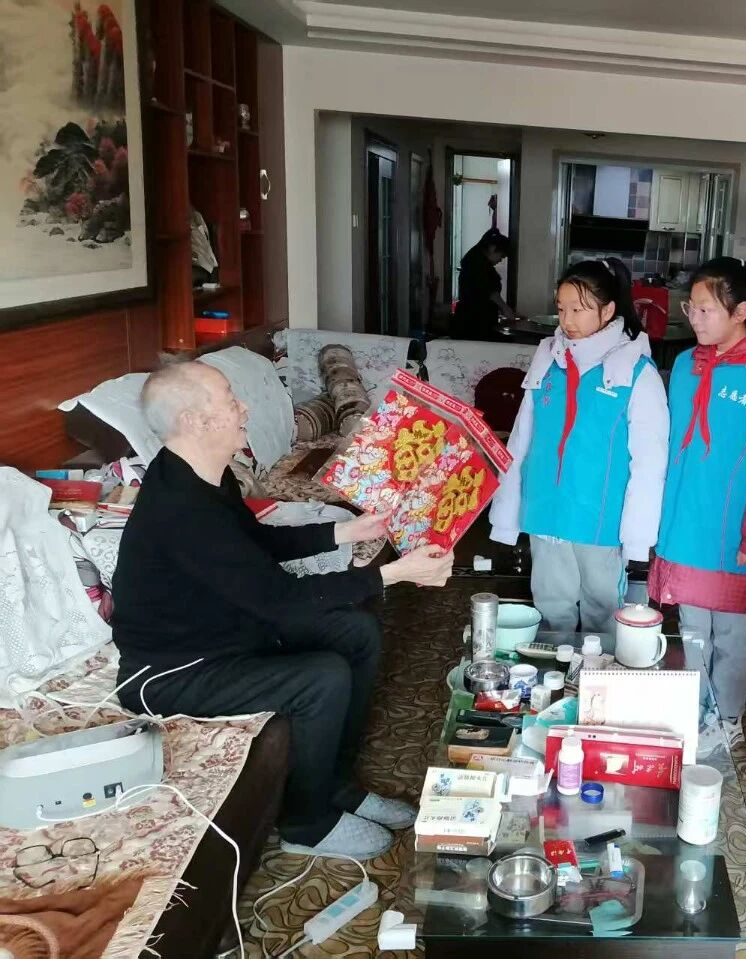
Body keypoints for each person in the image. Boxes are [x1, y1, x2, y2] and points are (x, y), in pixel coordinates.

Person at [112, 361, 455, 860]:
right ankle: (306, 823)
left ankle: (336, 784)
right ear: (195, 421)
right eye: (230, 399)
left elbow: (253, 542)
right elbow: (283, 600)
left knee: (355, 630)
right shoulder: (181, 509)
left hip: (227, 633)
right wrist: (393, 574)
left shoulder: (202, 474)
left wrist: (345, 531)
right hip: (173, 671)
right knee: (322, 676)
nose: (244, 407)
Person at [649, 258, 746, 748]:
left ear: (741, 312)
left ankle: (728, 719)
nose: (694, 319)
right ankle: (696, 712)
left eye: (706, 309)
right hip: (687, 525)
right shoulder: (685, 367)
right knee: (693, 629)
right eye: (690, 308)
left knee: (733, 634)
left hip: (736, 532)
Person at [489, 258, 669, 632]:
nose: (567, 320)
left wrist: (638, 538)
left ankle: (596, 671)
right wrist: (508, 509)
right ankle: (557, 667)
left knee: (603, 611)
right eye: (561, 309)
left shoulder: (634, 371)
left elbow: (649, 462)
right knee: (551, 605)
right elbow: (521, 439)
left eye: (578, 309)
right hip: (546, 509)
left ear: (608, 310)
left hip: (599, 517)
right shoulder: (548, 360)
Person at [451, 228, 518, 340]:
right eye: (501, 256)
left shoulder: (476, 260)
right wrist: (505, 308)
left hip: (477, 320)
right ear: (492, 248)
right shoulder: (476, 264)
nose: (500, 260)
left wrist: (504, 310)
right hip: (473, 323)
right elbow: (490, 291)